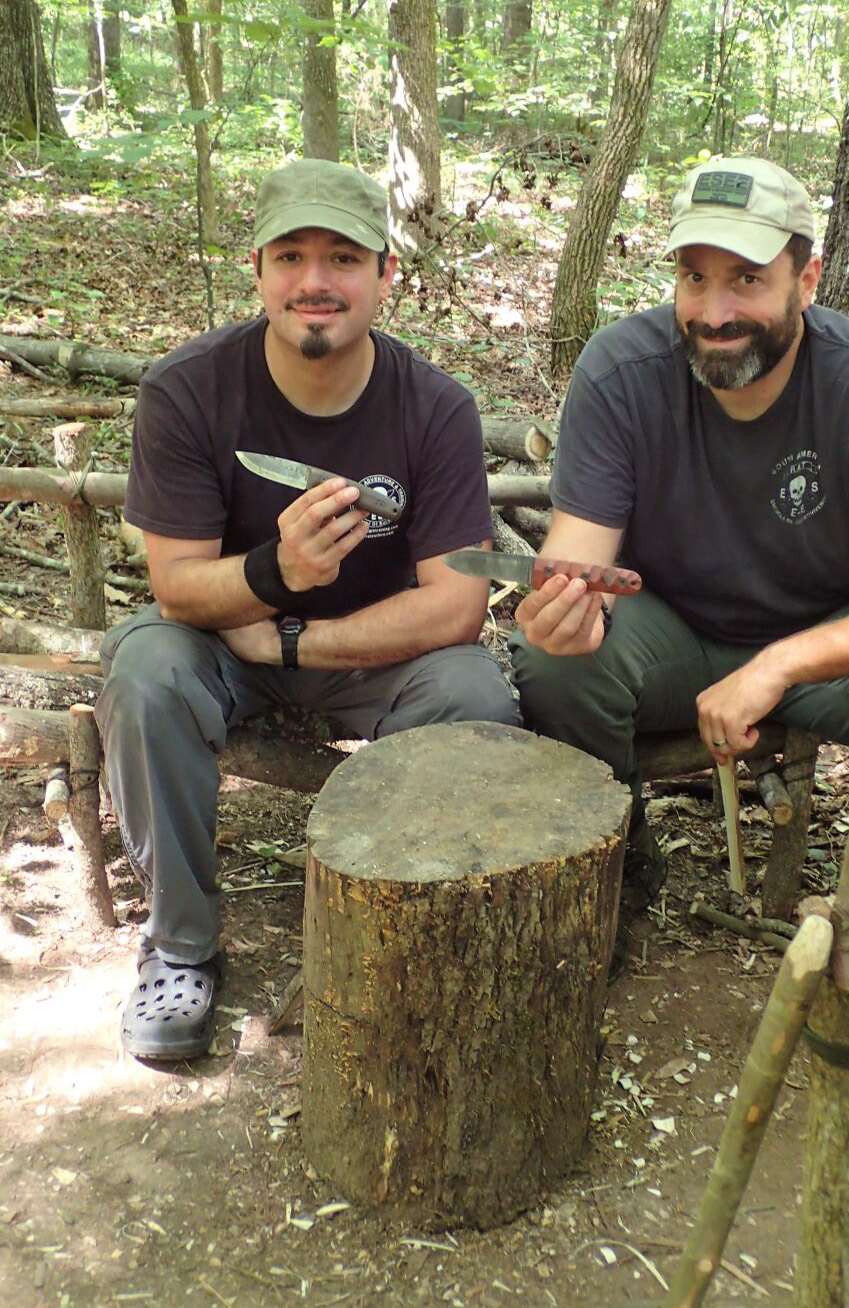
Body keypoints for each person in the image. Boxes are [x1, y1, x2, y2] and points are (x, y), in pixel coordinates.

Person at [510, 155, 849, 974]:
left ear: (806, 277)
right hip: (674, 628)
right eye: (694, 278)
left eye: (747, 279)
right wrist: (566, 610)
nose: (715, 311)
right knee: (554, 660)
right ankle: (611, 874)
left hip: (827, 638)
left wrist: (781, 665)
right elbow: (580, 562)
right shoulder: (621, 370)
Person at [96, 158, 520, 1062]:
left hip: (367, 655)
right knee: (144, 671)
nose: (315, 283)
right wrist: (275, 570)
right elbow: (177, 586)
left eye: (343, 258)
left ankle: (414, 922)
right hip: (223, 643)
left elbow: (454, 607)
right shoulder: (189, 389)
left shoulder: (437, 408)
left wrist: (294, 636)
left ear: (385, 275)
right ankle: (180, 946)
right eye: (291, 256)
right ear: (257, 269)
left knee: (475, 693)